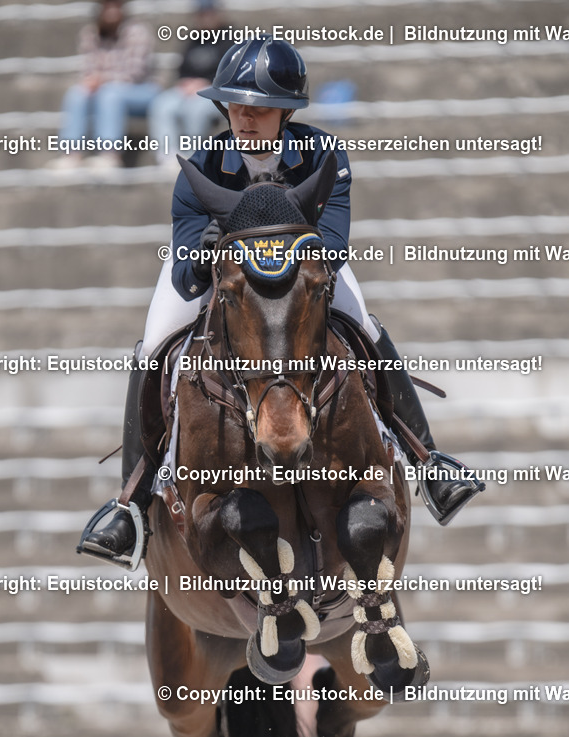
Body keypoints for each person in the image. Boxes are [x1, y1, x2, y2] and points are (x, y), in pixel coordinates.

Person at [80, 36, 483, 565]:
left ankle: (427, 462)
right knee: (153, 345)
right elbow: (185, 263)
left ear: (286, 111)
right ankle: (130, 505)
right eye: (236, 104)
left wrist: (278, 264)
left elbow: (332, 247)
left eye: (261, 107)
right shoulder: (199, 167)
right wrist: (207, 256)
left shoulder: (323, 157)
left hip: (305, 279)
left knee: (367, 326)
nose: (245, 116)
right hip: (222, 282)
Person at [55, 0, 159, 169]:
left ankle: (110, 155)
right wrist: (91, 82)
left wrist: (100, 80)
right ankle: (71, 155)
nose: (111, 10)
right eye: (107, 6)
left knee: (110, 94)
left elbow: (134, 73)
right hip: (106, 89)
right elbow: (87, 69)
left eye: (115, 5)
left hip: (142, 91)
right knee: (77, 93)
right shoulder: (90, 33)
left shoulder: (138, 32)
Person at [147, 0, 230, 166]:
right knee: (162, 103)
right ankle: (167, 155)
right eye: (201, 14)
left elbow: (232, 73)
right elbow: (182, 70)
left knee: (195, 109)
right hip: (189, 90)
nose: (205, 17)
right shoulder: (193, 40)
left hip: (219, 91)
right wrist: (186, 83)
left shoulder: (230, 38)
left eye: (209, 13)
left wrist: (204, 83)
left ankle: (191, 154)